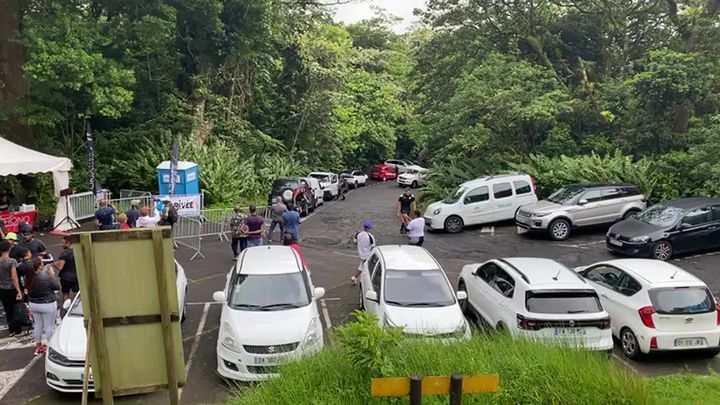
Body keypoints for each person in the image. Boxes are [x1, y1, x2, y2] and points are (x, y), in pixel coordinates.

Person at [26, 257, 60, 355]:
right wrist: (52, 275)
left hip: (33, 304)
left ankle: (38, 346)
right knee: (49, 327)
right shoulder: (46, 276)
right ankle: (53, 348)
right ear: (40, 266)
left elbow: (39, 275)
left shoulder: (29, 277)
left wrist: (45, 271)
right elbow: (57, 286)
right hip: (47, 304)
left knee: (38, 325)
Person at [0, 240, 23, 337]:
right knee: (15, 309)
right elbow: (14, 278)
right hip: (11, 288)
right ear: (9, 248)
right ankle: (17, 330)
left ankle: (11, 330)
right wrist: (18, 291)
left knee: (7, 309)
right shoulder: (12, 261)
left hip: (2, 288)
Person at [55, 236, 78, 303]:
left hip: (65, 277)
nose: (61, 245)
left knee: (65, 293)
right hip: (76, 276)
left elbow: (60, 267)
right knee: (76, 294)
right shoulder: (77, 251)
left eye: (63, 243)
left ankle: (66, 309)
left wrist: (55, 264)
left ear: (68, 243)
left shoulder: (64, 253)